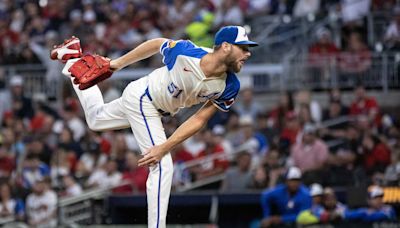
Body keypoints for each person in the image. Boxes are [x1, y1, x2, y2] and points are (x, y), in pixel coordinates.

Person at [51, 25, 258, 227]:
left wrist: (165, 146)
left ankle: (72, 58)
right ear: (226, 46)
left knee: (96, 119)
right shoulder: (187, 52)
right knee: (162, 165)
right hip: (143, 98)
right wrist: (116, 64)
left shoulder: (230, 85)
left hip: (154, 109)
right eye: (244, 47)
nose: (248, 54)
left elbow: (199, 120)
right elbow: (157, 43)